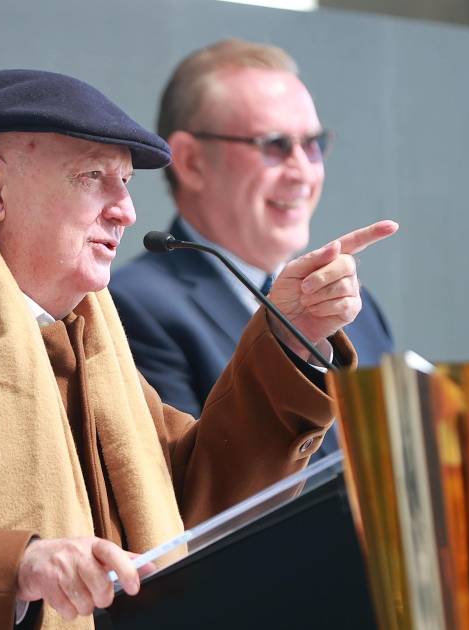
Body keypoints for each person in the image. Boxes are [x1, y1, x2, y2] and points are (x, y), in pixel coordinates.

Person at [0, 69, 395, 630]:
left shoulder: (89, 336)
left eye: (126, 182)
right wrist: (17, 568)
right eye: (94, 177)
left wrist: (289, 336)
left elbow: (193, 501)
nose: (125, 210)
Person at [111, 40, 397, 441]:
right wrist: (289, 348)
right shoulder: (133, 308)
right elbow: (191, 476)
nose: (303, 172)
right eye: (275, 145)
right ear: (191, 161)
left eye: (313, 144)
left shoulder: (354, 308)